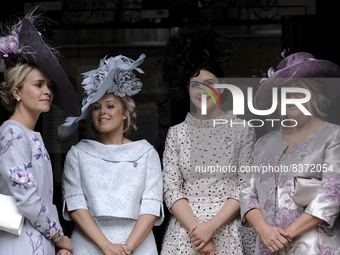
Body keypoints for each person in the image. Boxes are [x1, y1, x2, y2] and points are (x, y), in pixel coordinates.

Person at [160, 26, 256, 255]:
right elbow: (172, 189)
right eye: (196, 84)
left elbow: (245, 186)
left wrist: (211, 227)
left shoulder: (242, 130)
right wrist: (198, 232)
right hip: (186, 233)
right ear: (187, 88)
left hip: (229, 228)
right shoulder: (176, 133)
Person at [58, 54, 164, 255]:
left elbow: (151, 206)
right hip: (89, 244)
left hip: (138, 244)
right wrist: (106, 246)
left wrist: (126, 249)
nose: (102, 112)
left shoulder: (146, 153)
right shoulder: (77, 154)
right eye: (96, 107)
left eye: (110, 106)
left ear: (125, 113)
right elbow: (75, 205)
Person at [240, 52, 340, 254]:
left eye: (300, 92)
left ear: (315, 95)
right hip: (268, 247)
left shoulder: (333, 136)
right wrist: (265, 232)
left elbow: (330, 196)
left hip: (314, 247)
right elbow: (246, 193)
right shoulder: (263, 143)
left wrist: (284, 235)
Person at [0, 13, 81, 255]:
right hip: (19, 240)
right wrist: (59, 237)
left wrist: (55, 239)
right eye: (38, 85)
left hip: (38, 238)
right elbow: (26, 196)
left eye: (50, 86)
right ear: (17, 92)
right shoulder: (11, 134)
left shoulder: (29, 134)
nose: (47, 91)